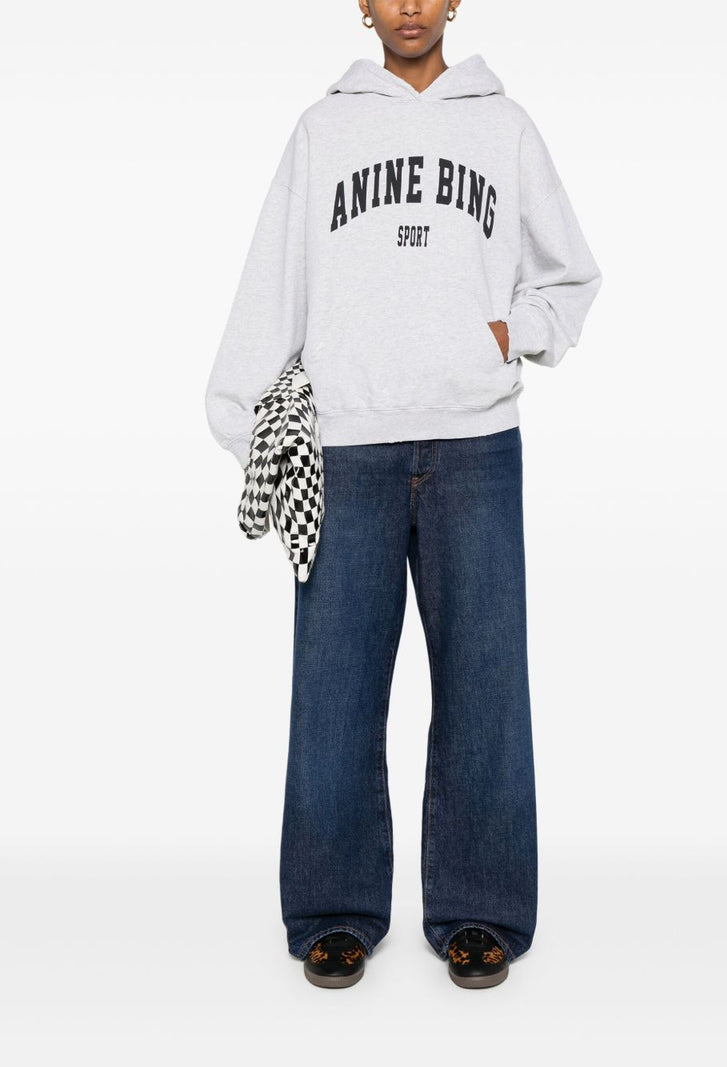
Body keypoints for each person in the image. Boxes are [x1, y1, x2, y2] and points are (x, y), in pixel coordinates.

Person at [205, 0, 602, 990]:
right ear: (363, 5)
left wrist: (513, 333)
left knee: (485, 688)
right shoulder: (323, 130)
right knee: (333, 693)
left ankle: (481, 910)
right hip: (347, 447)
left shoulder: (504, 127)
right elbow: (274, 277)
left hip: (476, 444)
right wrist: (242, 413)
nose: (410, 6)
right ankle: (332, 909)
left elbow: (569, 276)